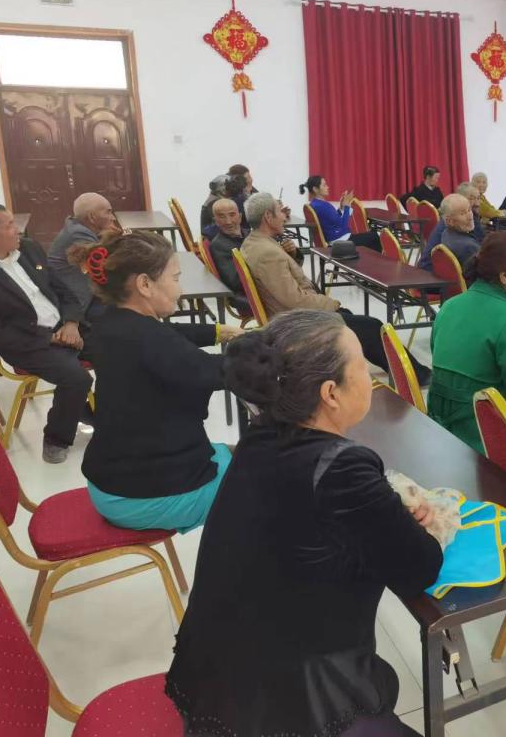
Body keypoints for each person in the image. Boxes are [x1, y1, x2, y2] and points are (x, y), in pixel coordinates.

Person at [166, 309, 442, 737]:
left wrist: (381, 508)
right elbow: (419, 569)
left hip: (220, 677)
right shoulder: (342, 467)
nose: (371, 377)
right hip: (290, 702)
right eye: (363, 367)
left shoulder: (262, 435)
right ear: (331, 393)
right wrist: (421, 522)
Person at [70, 231, 242, 531]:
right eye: (175, 278)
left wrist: (220, 332)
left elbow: (171, 337)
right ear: (145, 284)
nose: (180, 289)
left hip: (112, 481)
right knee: (272, 482)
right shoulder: (149, 337)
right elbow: (214, 371)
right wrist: (283, 355)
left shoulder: (111, 321)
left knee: (244, 452)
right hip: (144, 497)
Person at [241, 192, 430, 383]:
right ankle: (414, 376)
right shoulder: (267, 254)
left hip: (294, 314)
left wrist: (292, 255)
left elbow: (285, 282)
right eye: (280, 211)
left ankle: (405, 371)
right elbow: (294, 300)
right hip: (297, 321)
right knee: (373, 327)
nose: (284, 216)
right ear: (268, 216)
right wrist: (330, 303)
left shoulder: (253, 243)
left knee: (357, 321)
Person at [0, 203, 91, 464]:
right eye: (9, 225)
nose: (18, 230)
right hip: (27, 343)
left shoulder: (29, 249)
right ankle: (56, 439)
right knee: (76, 378)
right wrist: (51, 338)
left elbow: (64, 291)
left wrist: (71, 324)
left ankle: (103, 415)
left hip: (65, 327)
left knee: (121, 348)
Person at [428, 231, 506, 451]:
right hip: (482, 432)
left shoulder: (449, 306)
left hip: (437, 423)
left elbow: (436, 352)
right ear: (505, 276)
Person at [47, 192, 121, 319]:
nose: (113, 218)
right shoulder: (78, 234)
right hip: (77, 305)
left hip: (85, 295)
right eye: (108, 212)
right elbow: (109, 265)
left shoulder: (79, 228)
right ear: (92, 217)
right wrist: (116, 238)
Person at [300, 175, 381, 252]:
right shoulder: (322, 206)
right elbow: (343, 225)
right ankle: (377, 261)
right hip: (341, 243)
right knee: (374, 236)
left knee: (371, 235)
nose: (327, 187)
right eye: (324, 185)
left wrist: (341, 208)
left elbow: (334, 221)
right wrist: (347, 206)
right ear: (315, 189)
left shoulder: (316, 204)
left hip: (337, 240)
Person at [418, 182, 484, 271]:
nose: (477, 203)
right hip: (430, 271)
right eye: (463, 213)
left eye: (469, 210)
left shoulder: (448, 232)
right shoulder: (468, 247)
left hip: (435, 270)